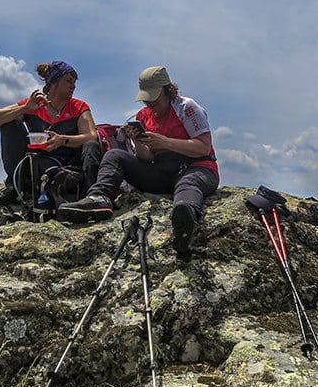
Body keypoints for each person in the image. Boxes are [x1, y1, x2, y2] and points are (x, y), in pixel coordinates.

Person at [56, 66, 219, 260]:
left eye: (154, 98)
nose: (150, 103)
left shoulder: (186, 107)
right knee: (115, 156)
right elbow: (147, 158)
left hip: (197, 168)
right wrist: (139, 142)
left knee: (187, 184)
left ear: (167, 90)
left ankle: (185, 219)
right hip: (161, 170)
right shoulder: (143, 116)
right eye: (146, 98)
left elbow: (203, 147)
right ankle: (99, 198)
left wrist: (164, 141)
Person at [0, 60, 101, 207]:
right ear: (54, 82)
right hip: (37, 162)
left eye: (74, 82)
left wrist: (63, 140)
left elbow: (92, 136)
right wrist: (24, 109)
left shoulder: (78, 107)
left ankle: (88, 197)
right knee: (10, 123)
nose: (73, 85)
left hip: (69, 165)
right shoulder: (34, 104)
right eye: (68, 81)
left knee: (91, 145)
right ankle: (15, 186)